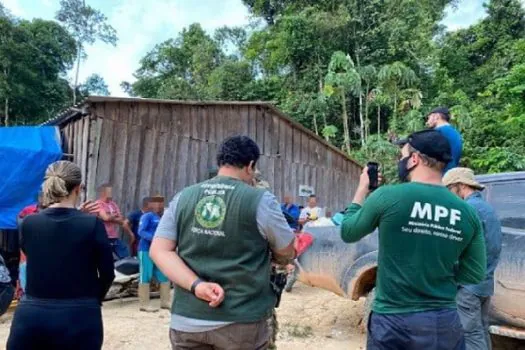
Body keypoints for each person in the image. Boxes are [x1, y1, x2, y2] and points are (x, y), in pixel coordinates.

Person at [341, 129, 487, 350]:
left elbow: (348, 231)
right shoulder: (467, 213)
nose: (401, 160)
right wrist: (437, 274)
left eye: (403, 156)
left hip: (393, 321)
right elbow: (475, 273)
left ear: (415, 159)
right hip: (443, 322)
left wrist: (362, 188)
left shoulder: (387, 196)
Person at [150, 135, 296, 350]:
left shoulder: (183, 197)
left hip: (187, 321)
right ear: (251, 165)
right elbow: (287, 250)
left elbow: (159, 251)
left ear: (220, 162)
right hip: (241, 321)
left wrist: (197, 286)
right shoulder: (259, 199)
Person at [7, 161, 115, 350]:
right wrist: (92, 300)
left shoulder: (28, 223)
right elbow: (107, 273)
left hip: (31, 315)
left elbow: (39, 253)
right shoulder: (92, 225)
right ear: (78, 189)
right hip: (80, 316)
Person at [443, 168, 502, 350]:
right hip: (484, 283)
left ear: (460, 186)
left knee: (470, 334)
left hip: (468, 286)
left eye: (449, 190)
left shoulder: (467, 209)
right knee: (481, 330)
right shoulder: (488, 209)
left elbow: (457, 248)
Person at [138, 196, 170, 312]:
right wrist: (155, 239)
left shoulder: (161, 217)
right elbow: (141, 231)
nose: (159, 205)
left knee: (163, 275)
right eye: (156, 203)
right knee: (145, 275)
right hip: (146, 249)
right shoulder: (147, 216)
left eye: (161, 203)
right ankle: (144, 304)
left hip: (158, 250)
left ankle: (165, 302)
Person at [96, 184, 134, 259]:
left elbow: (121, 219)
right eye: (109, 191)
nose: (111, 193)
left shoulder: (113, 204)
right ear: (103, 192)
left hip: (114, 236)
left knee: (126, 256)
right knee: (105, 259)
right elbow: (106, 218)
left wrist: (110, 216)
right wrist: (114, 216)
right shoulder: (98, 204)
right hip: (103, 236)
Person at [426, 106, 463, 173]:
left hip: (442, 174)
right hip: (452, 172)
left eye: (429, 118)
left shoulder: (439, 132)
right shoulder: (454, 132)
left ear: (436, 116)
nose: (427, 122)